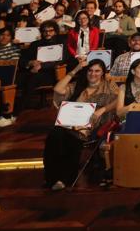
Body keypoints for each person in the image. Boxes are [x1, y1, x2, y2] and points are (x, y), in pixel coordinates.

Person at [43, 59, 118, 191]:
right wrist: (76, 69)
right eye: (90, 70)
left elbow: (119, 99)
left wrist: (103, 109)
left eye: (97, 71)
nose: (93, 74)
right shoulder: (78, 86)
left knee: (71, 138)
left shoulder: (108, 85)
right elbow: (58, 89)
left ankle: (65, 179)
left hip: (92, 126)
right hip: (69, 123)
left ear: (102, 73)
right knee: (54, 136)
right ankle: (53, 178)